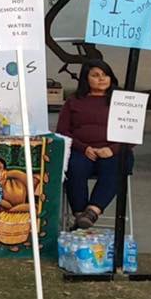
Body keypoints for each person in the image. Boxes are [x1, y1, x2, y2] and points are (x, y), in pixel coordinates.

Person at [55, 59, 132, 229]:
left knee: (117, 166)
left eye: (105, 75)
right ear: (86, 79)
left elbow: (132, 133)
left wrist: (111, 150)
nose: (101, 79)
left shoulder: (123, 101)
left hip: (113, 151)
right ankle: (79, 215)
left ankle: (92, 212)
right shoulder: (74, 101)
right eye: (95, 75)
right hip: (82, 149)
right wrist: (84, 148)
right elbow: (62, 131)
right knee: (74, 166)